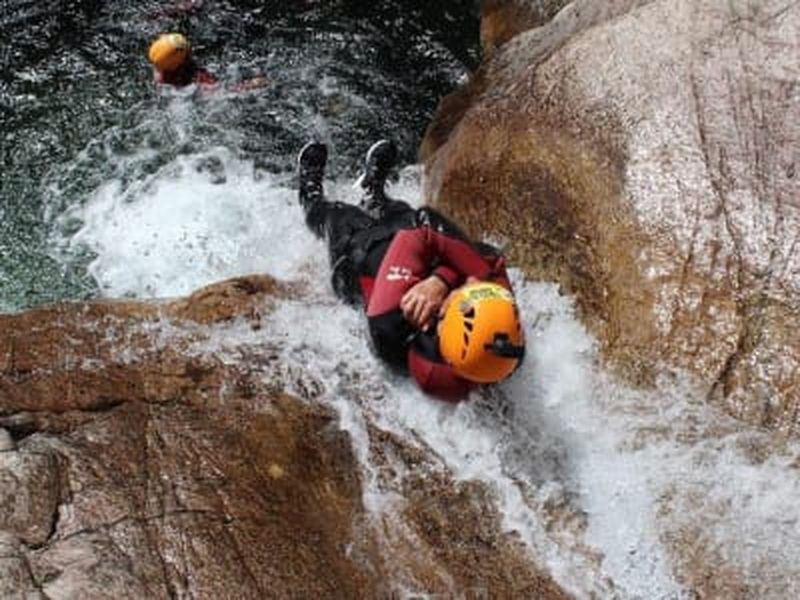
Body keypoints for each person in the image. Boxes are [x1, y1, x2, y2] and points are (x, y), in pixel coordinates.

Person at [297, 139, 525, 401]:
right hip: (412, 250)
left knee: (337, 215)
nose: (466, 286)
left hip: (358, 258)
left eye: (459, 298)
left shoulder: (391, 320)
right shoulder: (506, 350)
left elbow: (424, 228)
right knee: (398, 211)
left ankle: (310, 194)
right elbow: (487, 255)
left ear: (439, 323)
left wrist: (442, 278)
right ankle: (373, 193)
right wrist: (443, 279)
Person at [147, 33, 266, 90]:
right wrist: (251, 84)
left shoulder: (160, 64)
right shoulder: (194, 76)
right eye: (186, 50)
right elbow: (222, 92)